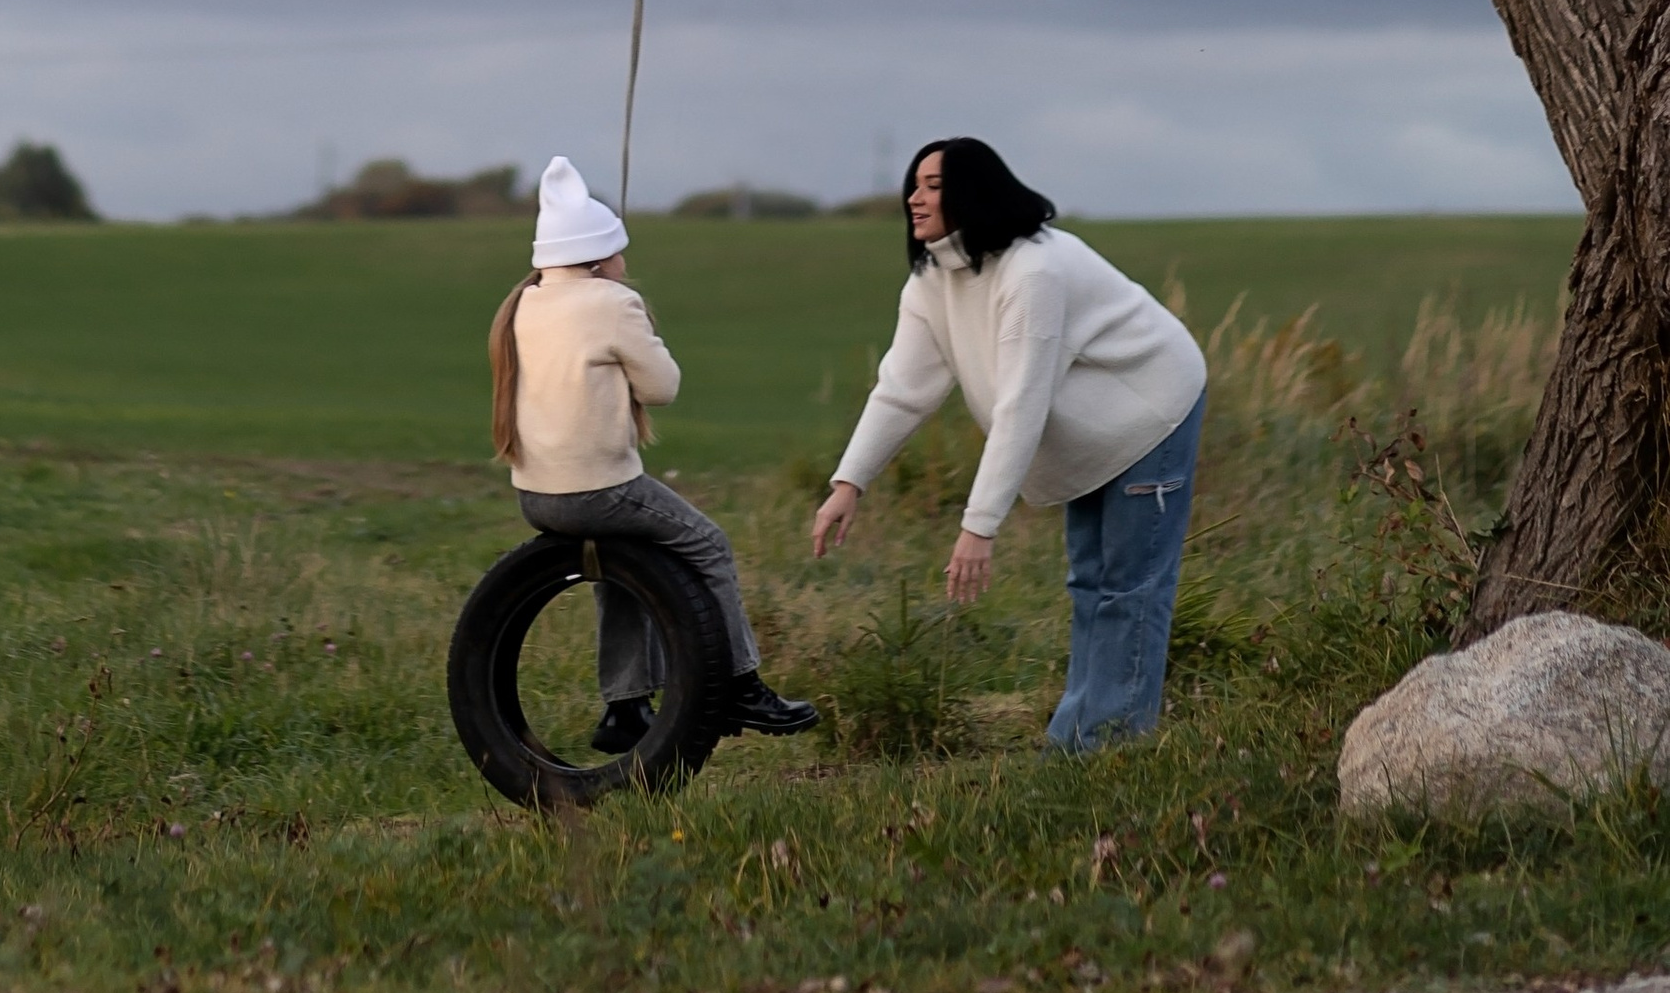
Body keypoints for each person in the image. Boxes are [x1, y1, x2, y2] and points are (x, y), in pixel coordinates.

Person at [808, 137, 1208, 753]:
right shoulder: (932, 282)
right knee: (1090, 581)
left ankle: (1111, 750)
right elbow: (902, 390)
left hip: (1151, 411)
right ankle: (1079, 738)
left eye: (934, 186)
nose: (914, 198)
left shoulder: (1034, 270)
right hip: (1090, 435)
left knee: (1130, 587)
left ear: (973, 192)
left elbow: (1023, 403)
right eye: (914, 184)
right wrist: (848, 483)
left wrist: (980, 527)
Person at [491, 153, 815, 746]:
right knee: (709, 545)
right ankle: (741, 685)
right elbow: (664, 388)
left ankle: (625, 708)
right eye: (619, 251)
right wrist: (635, 327)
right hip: (599, 490)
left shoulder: (525, 303)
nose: (626, 261)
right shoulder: (613, 303)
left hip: (536, 495)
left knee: (622, 570)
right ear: (596, 257)